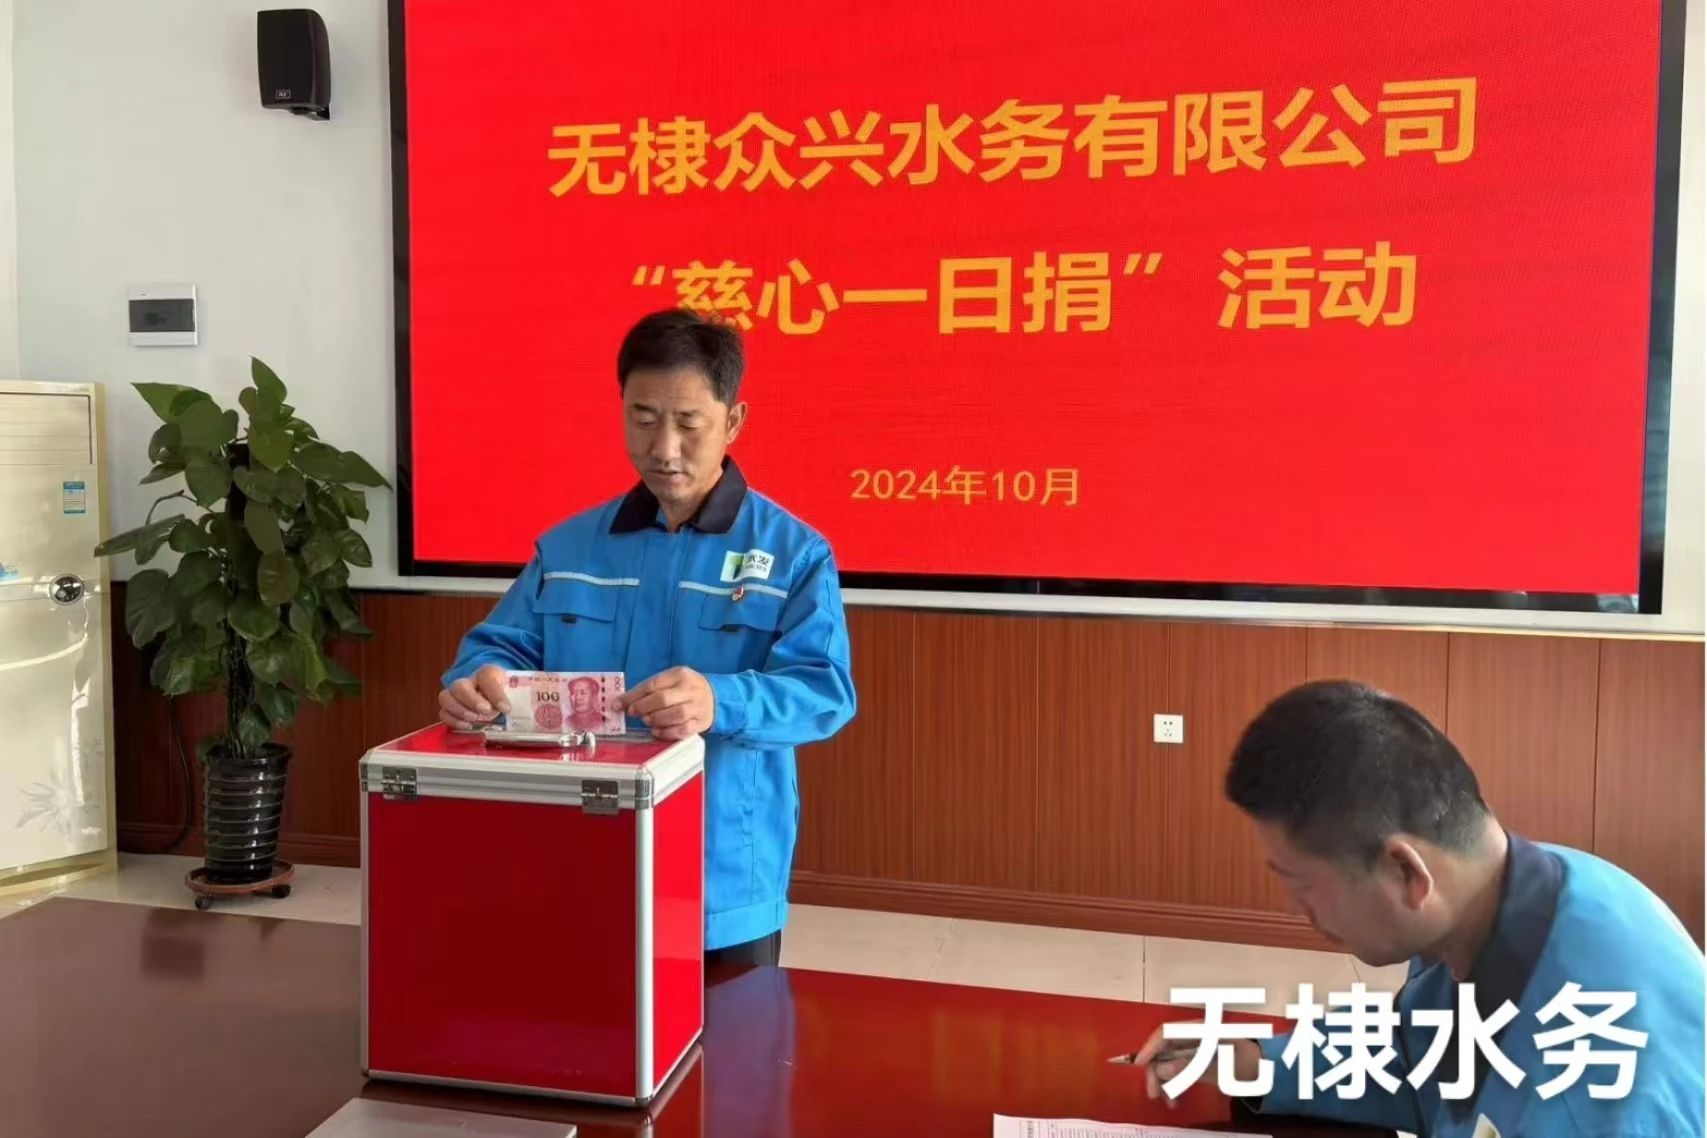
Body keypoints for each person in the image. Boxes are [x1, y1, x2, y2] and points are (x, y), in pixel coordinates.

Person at [437, 308, 857, 967]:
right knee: (575, 1017)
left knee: (732, 1031)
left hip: (721, 870)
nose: (663, 448)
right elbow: (500, 648)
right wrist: (476, 682)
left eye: (688, 422)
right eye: (643, 417)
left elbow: (824, 691)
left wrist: (719, 701)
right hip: (577, 853)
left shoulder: (793, 554)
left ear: (733, 421)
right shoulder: (570, 547)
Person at [1132, 680, 1703, 1137]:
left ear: (1406, 873)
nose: (1295, 908)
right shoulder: (1498, 891)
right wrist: (1257, 1062)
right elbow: (1421, 1060)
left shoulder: (1598, 1100)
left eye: (1303, 884)